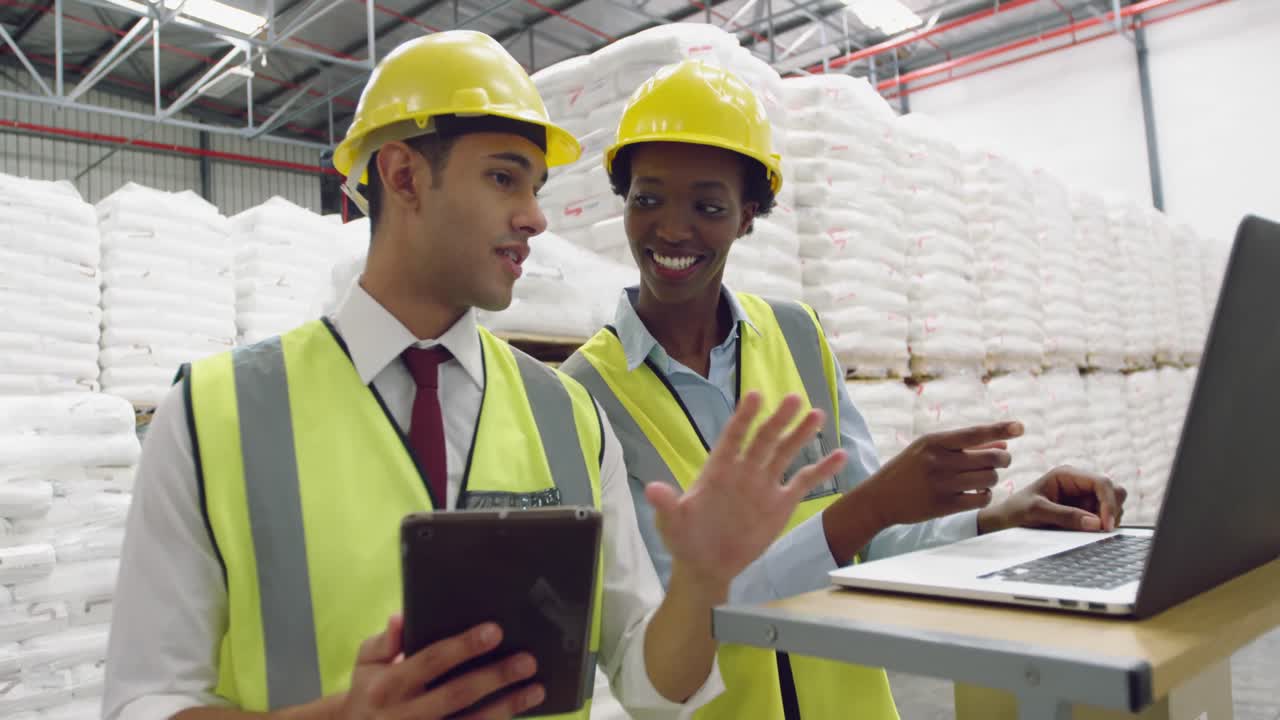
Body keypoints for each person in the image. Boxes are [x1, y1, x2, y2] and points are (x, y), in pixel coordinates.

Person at [102, 33, 850, 720]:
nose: (534, 218)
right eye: (504, 179)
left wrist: (701, 582)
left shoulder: (568, 417)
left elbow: (650, 685)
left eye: (536, 189)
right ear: (403, 175)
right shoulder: (213, 416)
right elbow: (145, 700)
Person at [561, 60, 1128, 720]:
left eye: (708, 206)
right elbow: (671, 618)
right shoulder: (586, 393)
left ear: (747, 217)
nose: (672, 229)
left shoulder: (798, 339)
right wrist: (867, 508)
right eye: (647, 198)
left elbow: (877, 545)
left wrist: (995, 520)